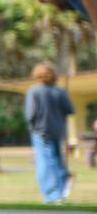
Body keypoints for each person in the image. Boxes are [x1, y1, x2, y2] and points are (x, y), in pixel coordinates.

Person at [24, 63, 75, 204]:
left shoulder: (34, 91)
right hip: (58, 132)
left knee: (44, 163)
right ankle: (62, 184)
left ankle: (52, 194)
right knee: (55, 160)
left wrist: (32, 128)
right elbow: (70, 110)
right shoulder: (60, 92)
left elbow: (30, 114)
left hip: (40, 131)